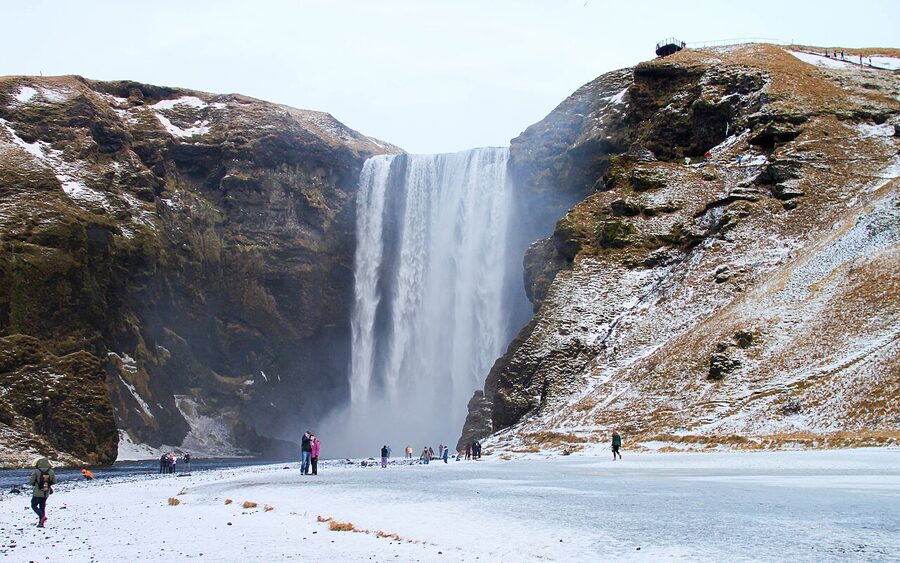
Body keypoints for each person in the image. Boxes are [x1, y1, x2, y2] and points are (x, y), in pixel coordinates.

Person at [30, 457, 56, 528]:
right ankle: (41, 523)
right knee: (42, 506)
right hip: (46, 492)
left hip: (37, 492)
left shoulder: (36, 471)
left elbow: (32, 482)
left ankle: (42, 516)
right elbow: (54, 481)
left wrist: (36, 484)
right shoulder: (51, 471)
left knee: (33, 505)